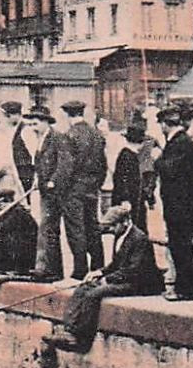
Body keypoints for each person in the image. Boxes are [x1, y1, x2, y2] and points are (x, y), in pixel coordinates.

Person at [59, 203, 165, 351]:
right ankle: (69, 330)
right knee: (83, 288)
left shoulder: (139, 239)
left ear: (125, 222)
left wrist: (107, 279)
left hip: (140, 284)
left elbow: (133, 271)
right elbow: (116, 264)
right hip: (125, 279)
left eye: (111, 227)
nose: (109, 231)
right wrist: (99, 272)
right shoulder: (121, 235)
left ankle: (82, 338)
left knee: (94, 294)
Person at [154, 106, 193, 302]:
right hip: (182, 203)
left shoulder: (179, 144)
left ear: (165, 124)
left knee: (181, 245)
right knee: (182, 245)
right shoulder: (185, 142)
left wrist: (157, 160)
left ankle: (186, 289)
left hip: (180, 204)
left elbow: (170, 170)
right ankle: (186, 286)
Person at [63, 99, 107, 278]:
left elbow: (68, 166)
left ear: (68, 115)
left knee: (76, 229)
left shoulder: (69, 135)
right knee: (92, 226)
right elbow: (103, 164)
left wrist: (64, 188)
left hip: (74, 189)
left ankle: (80, 269)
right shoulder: (96, 134)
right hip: (92, 187)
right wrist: (97, 183)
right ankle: (98, 265)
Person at [32, 110, 72, 281]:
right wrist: (37, 180)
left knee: (49, 228)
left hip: (55, 192)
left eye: (35, 123)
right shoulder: (41, 139)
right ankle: (47, 267)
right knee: (46, 229)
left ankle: (53, 270)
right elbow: (40, 164)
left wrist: (53, 181)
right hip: (44, 191)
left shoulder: (58, 138)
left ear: (45, 122)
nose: (33, 127)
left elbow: (65, 163)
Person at [112, 122, 149, 236]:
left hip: (132, 201)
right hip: (129, 202)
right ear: (141, 143)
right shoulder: (128, 156)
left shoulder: (127, 155)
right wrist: (125, 199)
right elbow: (122, 180)